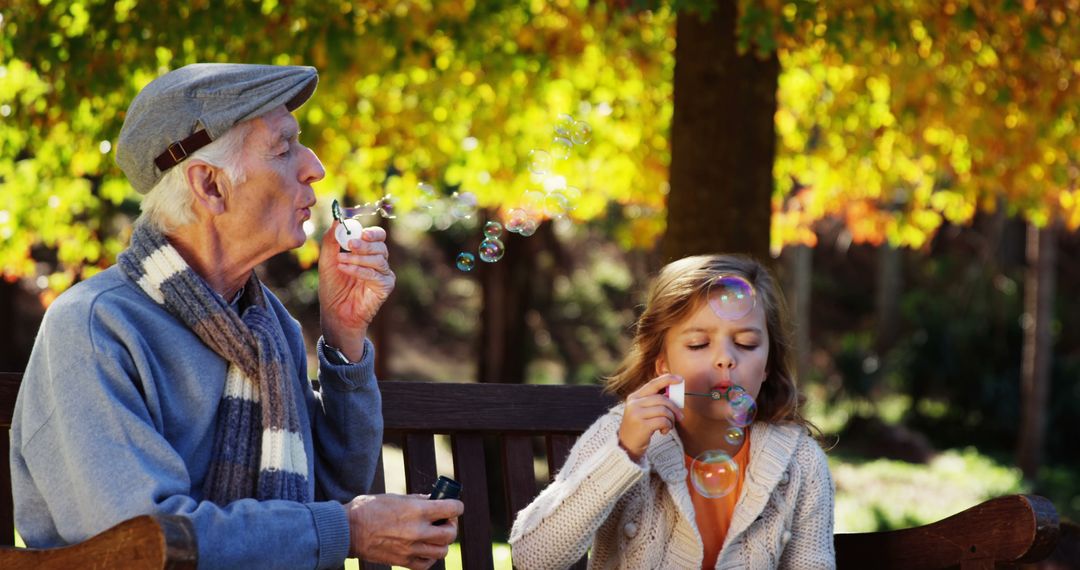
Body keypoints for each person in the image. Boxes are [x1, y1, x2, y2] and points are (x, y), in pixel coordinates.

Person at [9, 63, 463, 570]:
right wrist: (347, 529)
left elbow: (335, 489)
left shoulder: (267, 330)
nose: (314, 166)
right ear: (210, 186)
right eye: (283, 147)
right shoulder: (95, 327)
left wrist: (344, 333)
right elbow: (142, 542)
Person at [509, 254, 835, 569]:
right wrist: (623, 453)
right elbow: (532, 559)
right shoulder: (620, 435)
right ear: (662, 362)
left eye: (747, 343)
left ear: (767, 365)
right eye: (698, 344)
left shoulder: (800, 462)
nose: (725, 359)